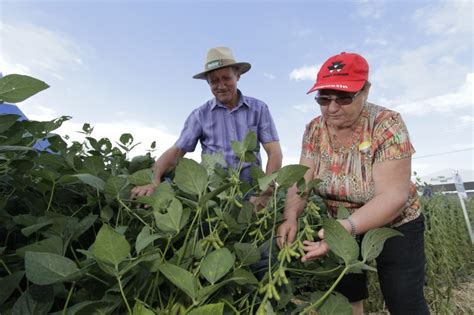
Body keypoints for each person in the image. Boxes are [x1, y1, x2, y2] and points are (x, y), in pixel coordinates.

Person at [277, 52, 429, 315]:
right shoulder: (314, 129)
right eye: (324, 98)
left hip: (395, 223)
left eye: (344, 98)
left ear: (365, 92)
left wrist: (345, 228)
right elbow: (303, 179)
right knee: (348, 299)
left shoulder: (386, 124)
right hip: (340, 222)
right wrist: (290, 216)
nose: (332, 108)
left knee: (404, 301)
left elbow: (394, 196)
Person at [131, 47, 282, 208]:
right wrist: (153, 180)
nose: (221, 85)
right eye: (214, 81)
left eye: (226, 78)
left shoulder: (258, 109)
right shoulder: (200, 115)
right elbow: (176, 152)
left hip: (250, 193)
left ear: (237, 75)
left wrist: (264, 192)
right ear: (208, 82)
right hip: (214, 196)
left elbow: (274, 152)